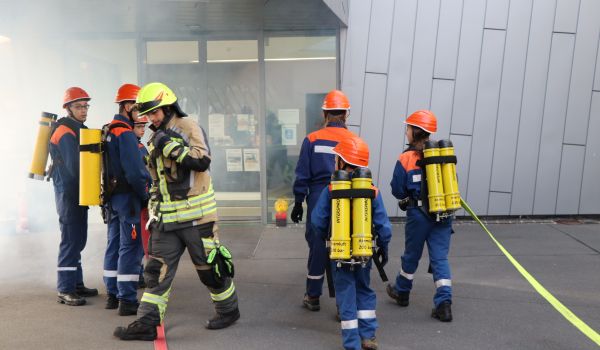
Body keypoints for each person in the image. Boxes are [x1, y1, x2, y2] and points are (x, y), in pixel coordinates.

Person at [114, 82, 239, 341]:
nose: (151, 119)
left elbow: (202, 161)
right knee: (155, 273)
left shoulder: (188, 127)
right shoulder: (156, 134)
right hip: (166, 221)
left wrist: (172, 146)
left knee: (210, 271)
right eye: (147, 114)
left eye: (155, 113)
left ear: (169, 107)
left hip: (197, 219)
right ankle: (148, 322)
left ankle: (228, 310)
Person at [311, 135, 392, 350]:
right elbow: (384, 227)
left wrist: (328, 237)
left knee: (346, 295)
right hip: (363, 252)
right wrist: (383, 247)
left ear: (342, 162)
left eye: (337, 159)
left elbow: (317, 221)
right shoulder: (372, 192)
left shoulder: (331, 190)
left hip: (340, 253)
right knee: (364, 290)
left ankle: (351, 344)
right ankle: (368, 337)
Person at [291, 89, 358, 311]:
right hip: (347, 197)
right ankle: (343, 304)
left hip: (319, 196)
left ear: (325, 113)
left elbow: (302, 173)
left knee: (318, 245)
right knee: (342, 245)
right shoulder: (355, 140)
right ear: (346, 115)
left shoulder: (312, 139)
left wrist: (299, 201)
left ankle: (313, 295)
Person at [386, 110, 454, 322]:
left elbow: (397, 190)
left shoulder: (406, 158)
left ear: (415, 131)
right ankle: (444, 304)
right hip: (443, 212)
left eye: (408, 128)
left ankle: (402, 292)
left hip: (418, 214)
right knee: (440, 258)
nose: (406, 132)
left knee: (411, 255)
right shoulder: (442, 156)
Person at [102, 84, 151, 315]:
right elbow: (135, 172)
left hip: (113, 198)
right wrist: (146, 196)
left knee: (114, 245)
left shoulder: (110, 129)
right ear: (126, 106)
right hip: (129, 199)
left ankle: (112, 294)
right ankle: (127, 300)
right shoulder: (126, 133)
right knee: (130, 248)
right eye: (137, 106)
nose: (140, 112)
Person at [49, 87, 98, 306]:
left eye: (86, 106)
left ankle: (76, 284)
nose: (83, 110)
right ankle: (65, 288)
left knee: (78, 238)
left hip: (78, 192)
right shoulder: (65, 132)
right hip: (69, 194)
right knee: (70, 240)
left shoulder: (79, 129)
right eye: (79, 106)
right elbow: (74, 166)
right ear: (68, 108)